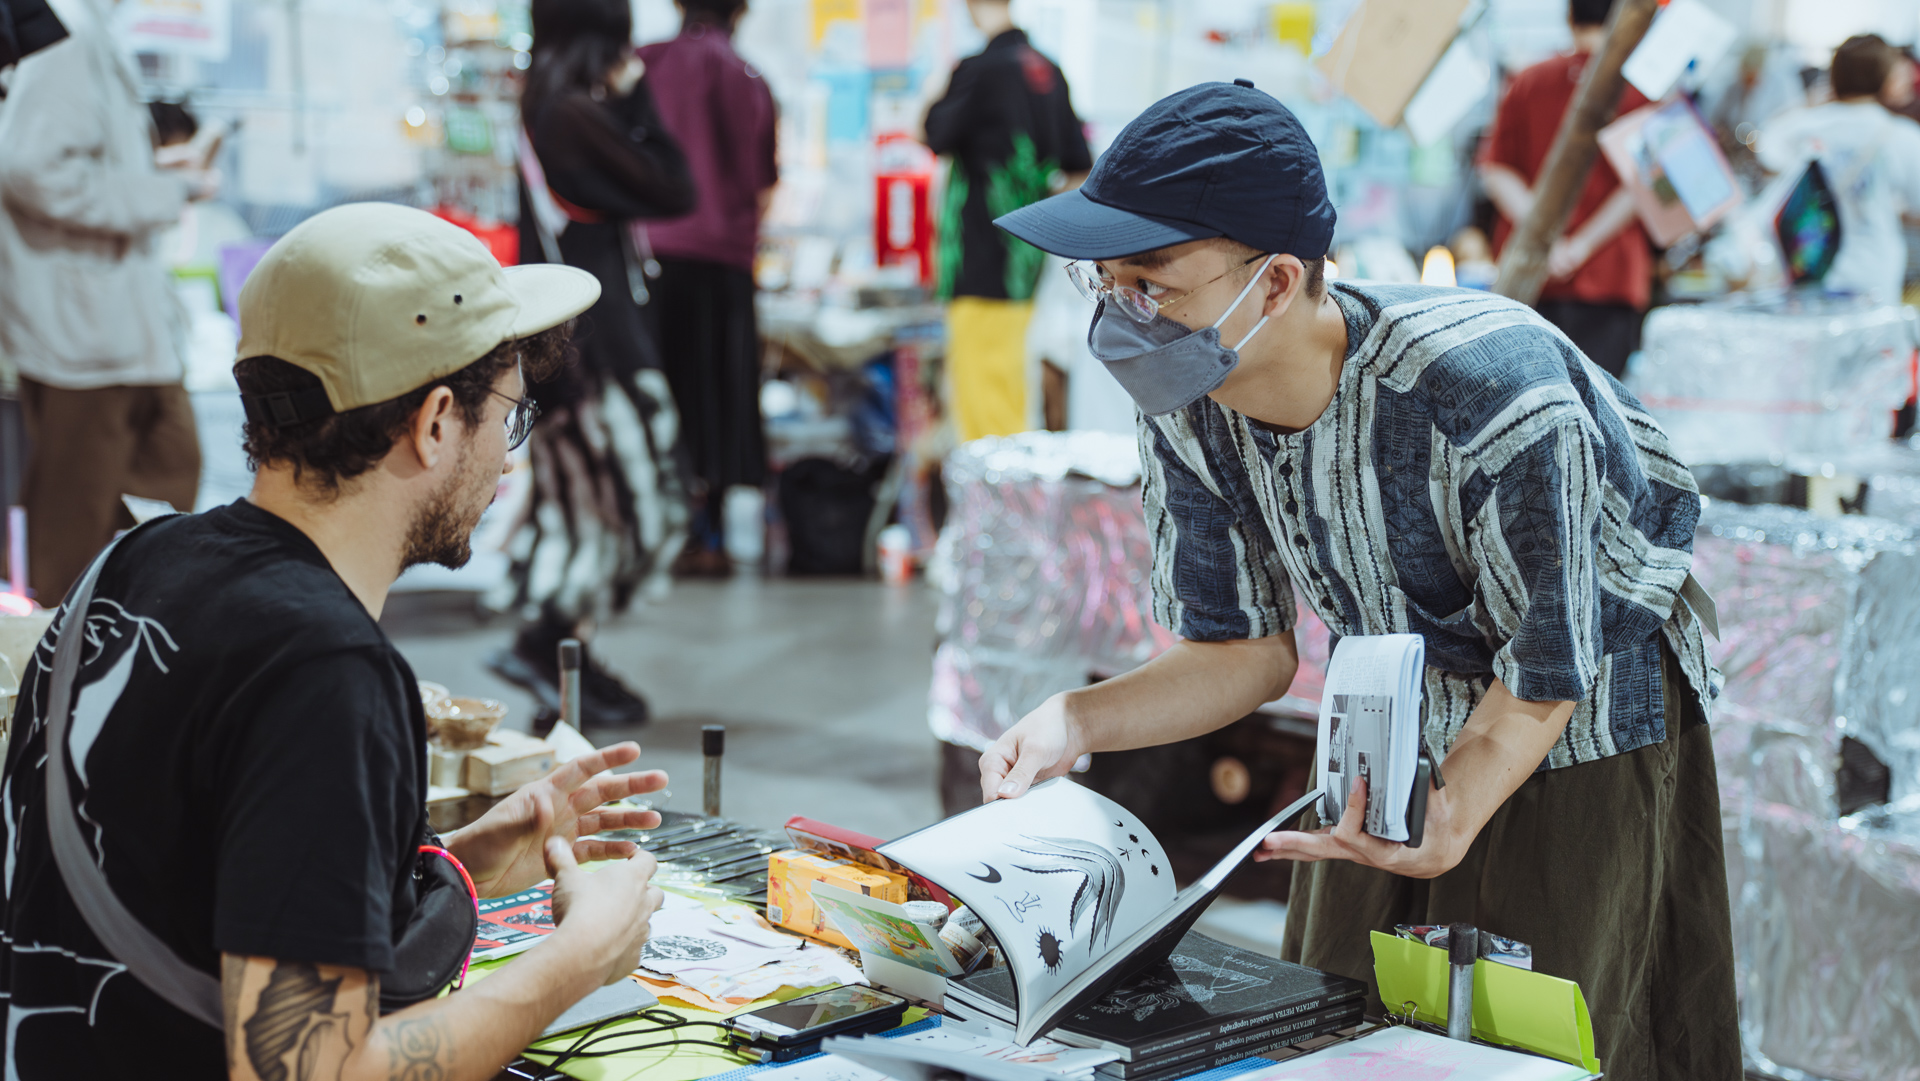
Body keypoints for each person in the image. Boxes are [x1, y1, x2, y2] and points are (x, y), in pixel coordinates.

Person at [986, 81, 1739, 1081]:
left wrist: (1457, 808)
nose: (1124, 317)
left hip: (1579, 715)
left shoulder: (1490, 397)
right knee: (1337, 1012)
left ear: (1275, 282)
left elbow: (1549, 664)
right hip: (1388, 706)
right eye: (1107, 282)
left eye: (1152, 284)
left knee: (1536, 1028)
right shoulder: (1188, 396)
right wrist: (1076, 720)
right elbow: (1244, 651)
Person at [0, 203, 670, 1079]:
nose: (509, 459)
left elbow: (180, 882)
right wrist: (581, 954)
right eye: (507, 417)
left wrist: (455, 869)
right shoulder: (325, 669)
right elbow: (310, 1069)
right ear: (435, 422)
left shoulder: (131, 564)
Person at [490, 0, 698, 727]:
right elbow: (675, 185)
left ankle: (561, 655)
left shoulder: (555, 109)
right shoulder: (568, 115)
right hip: (590, 353)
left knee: (598, 512)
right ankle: (547, 647)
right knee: (626, 508)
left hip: (582, 344)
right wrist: (638, 98)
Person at [0, 0, 216, 602]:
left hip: (115, 331)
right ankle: (57, 654)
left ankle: (121, 637)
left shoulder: (82, 26)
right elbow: (31, 169)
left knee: (162, 488)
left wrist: (153, 172)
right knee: (73, 532)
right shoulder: (65, 31)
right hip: (85, 337)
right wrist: (167, 190)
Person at [639, 0, 778, 576]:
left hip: (653, 257)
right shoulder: (748, 78)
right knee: (721, 393)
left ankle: (660, 530)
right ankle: (710, 532)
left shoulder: (644, 65)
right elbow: (763, 182)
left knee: (661, 392)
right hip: (724, 259)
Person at [922, 0, 1092, 442]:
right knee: (1009, 382)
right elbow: (1080, 169)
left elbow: (932, 133)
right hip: (1025, 260)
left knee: (981, 392)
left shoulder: (979, 69)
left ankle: (993, 486)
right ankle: (1010, 479)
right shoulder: (1049, 71)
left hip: (978, 256)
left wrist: (937, 84)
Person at [1477, 0, 1651, 379]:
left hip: (1529, 280)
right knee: (1601, 406)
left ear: (1569, 17)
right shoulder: (1640, 90)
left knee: (1525, 402)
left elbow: (1496, 170)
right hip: (1610, 279)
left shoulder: (1529, 81)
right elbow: (1641, 185)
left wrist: (1546, 240)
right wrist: (1580, 247)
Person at [1757, 34, 1920, 305]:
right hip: (1872, 275)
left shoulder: (1804, 125)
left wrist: (1815, 102)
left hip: (1808, 266)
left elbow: (1768, 151)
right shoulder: (1901, 136)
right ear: (1884, 78)